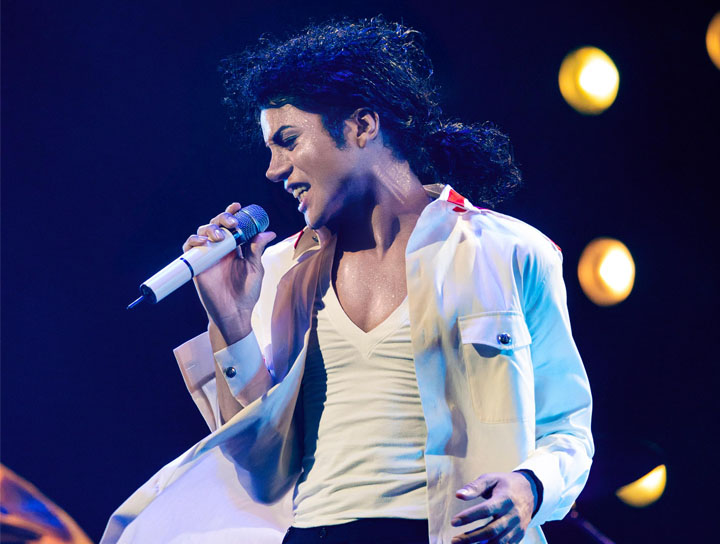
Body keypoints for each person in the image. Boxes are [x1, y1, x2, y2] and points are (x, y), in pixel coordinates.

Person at [102, 16, 593, 544]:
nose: (273, 169)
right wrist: (231, 319)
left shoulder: (510, 251)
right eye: (270, 149)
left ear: (362, 126)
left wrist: (531, 486)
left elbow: (568, 426)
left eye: (288, 140)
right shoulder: (281, 272)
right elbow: (260, 472)